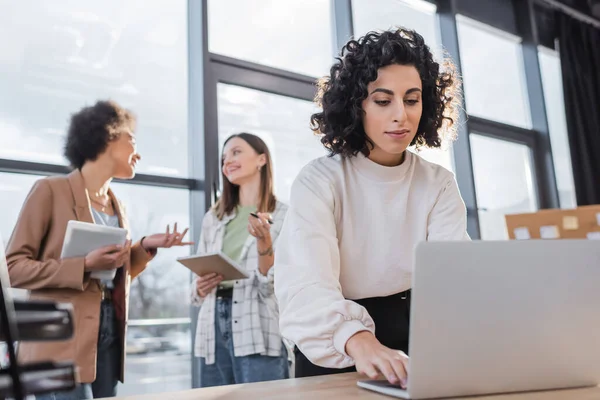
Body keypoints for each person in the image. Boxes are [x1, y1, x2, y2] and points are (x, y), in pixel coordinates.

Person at [274, 28, 470, 388]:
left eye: (412, 100)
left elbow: (454, 279)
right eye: (383, 101)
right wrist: (360, 341)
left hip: (416, 337)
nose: (401, 116)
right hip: (337, 340)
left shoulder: (437, 182)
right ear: (356, 105)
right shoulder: (319, 180)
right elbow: (304, 282)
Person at [6, 100, 192, 399]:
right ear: (108, 135)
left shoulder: (119, 206)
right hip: (58, 337)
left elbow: (112, 274)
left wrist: (143, 247)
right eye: (132, 139)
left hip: (108, 331)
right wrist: (83, 265)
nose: (139, 152)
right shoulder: (49, 191)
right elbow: (12, 267)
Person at [191, 133, 289, 387]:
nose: (227, 161)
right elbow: (196, 281)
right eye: (224, 157)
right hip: (212, 326)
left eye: (236, 152)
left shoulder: (285, 216)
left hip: (257, 323)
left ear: (261, 159)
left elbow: (272, 287)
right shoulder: (213, 217)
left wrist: (264, 242)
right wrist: (198, 287)